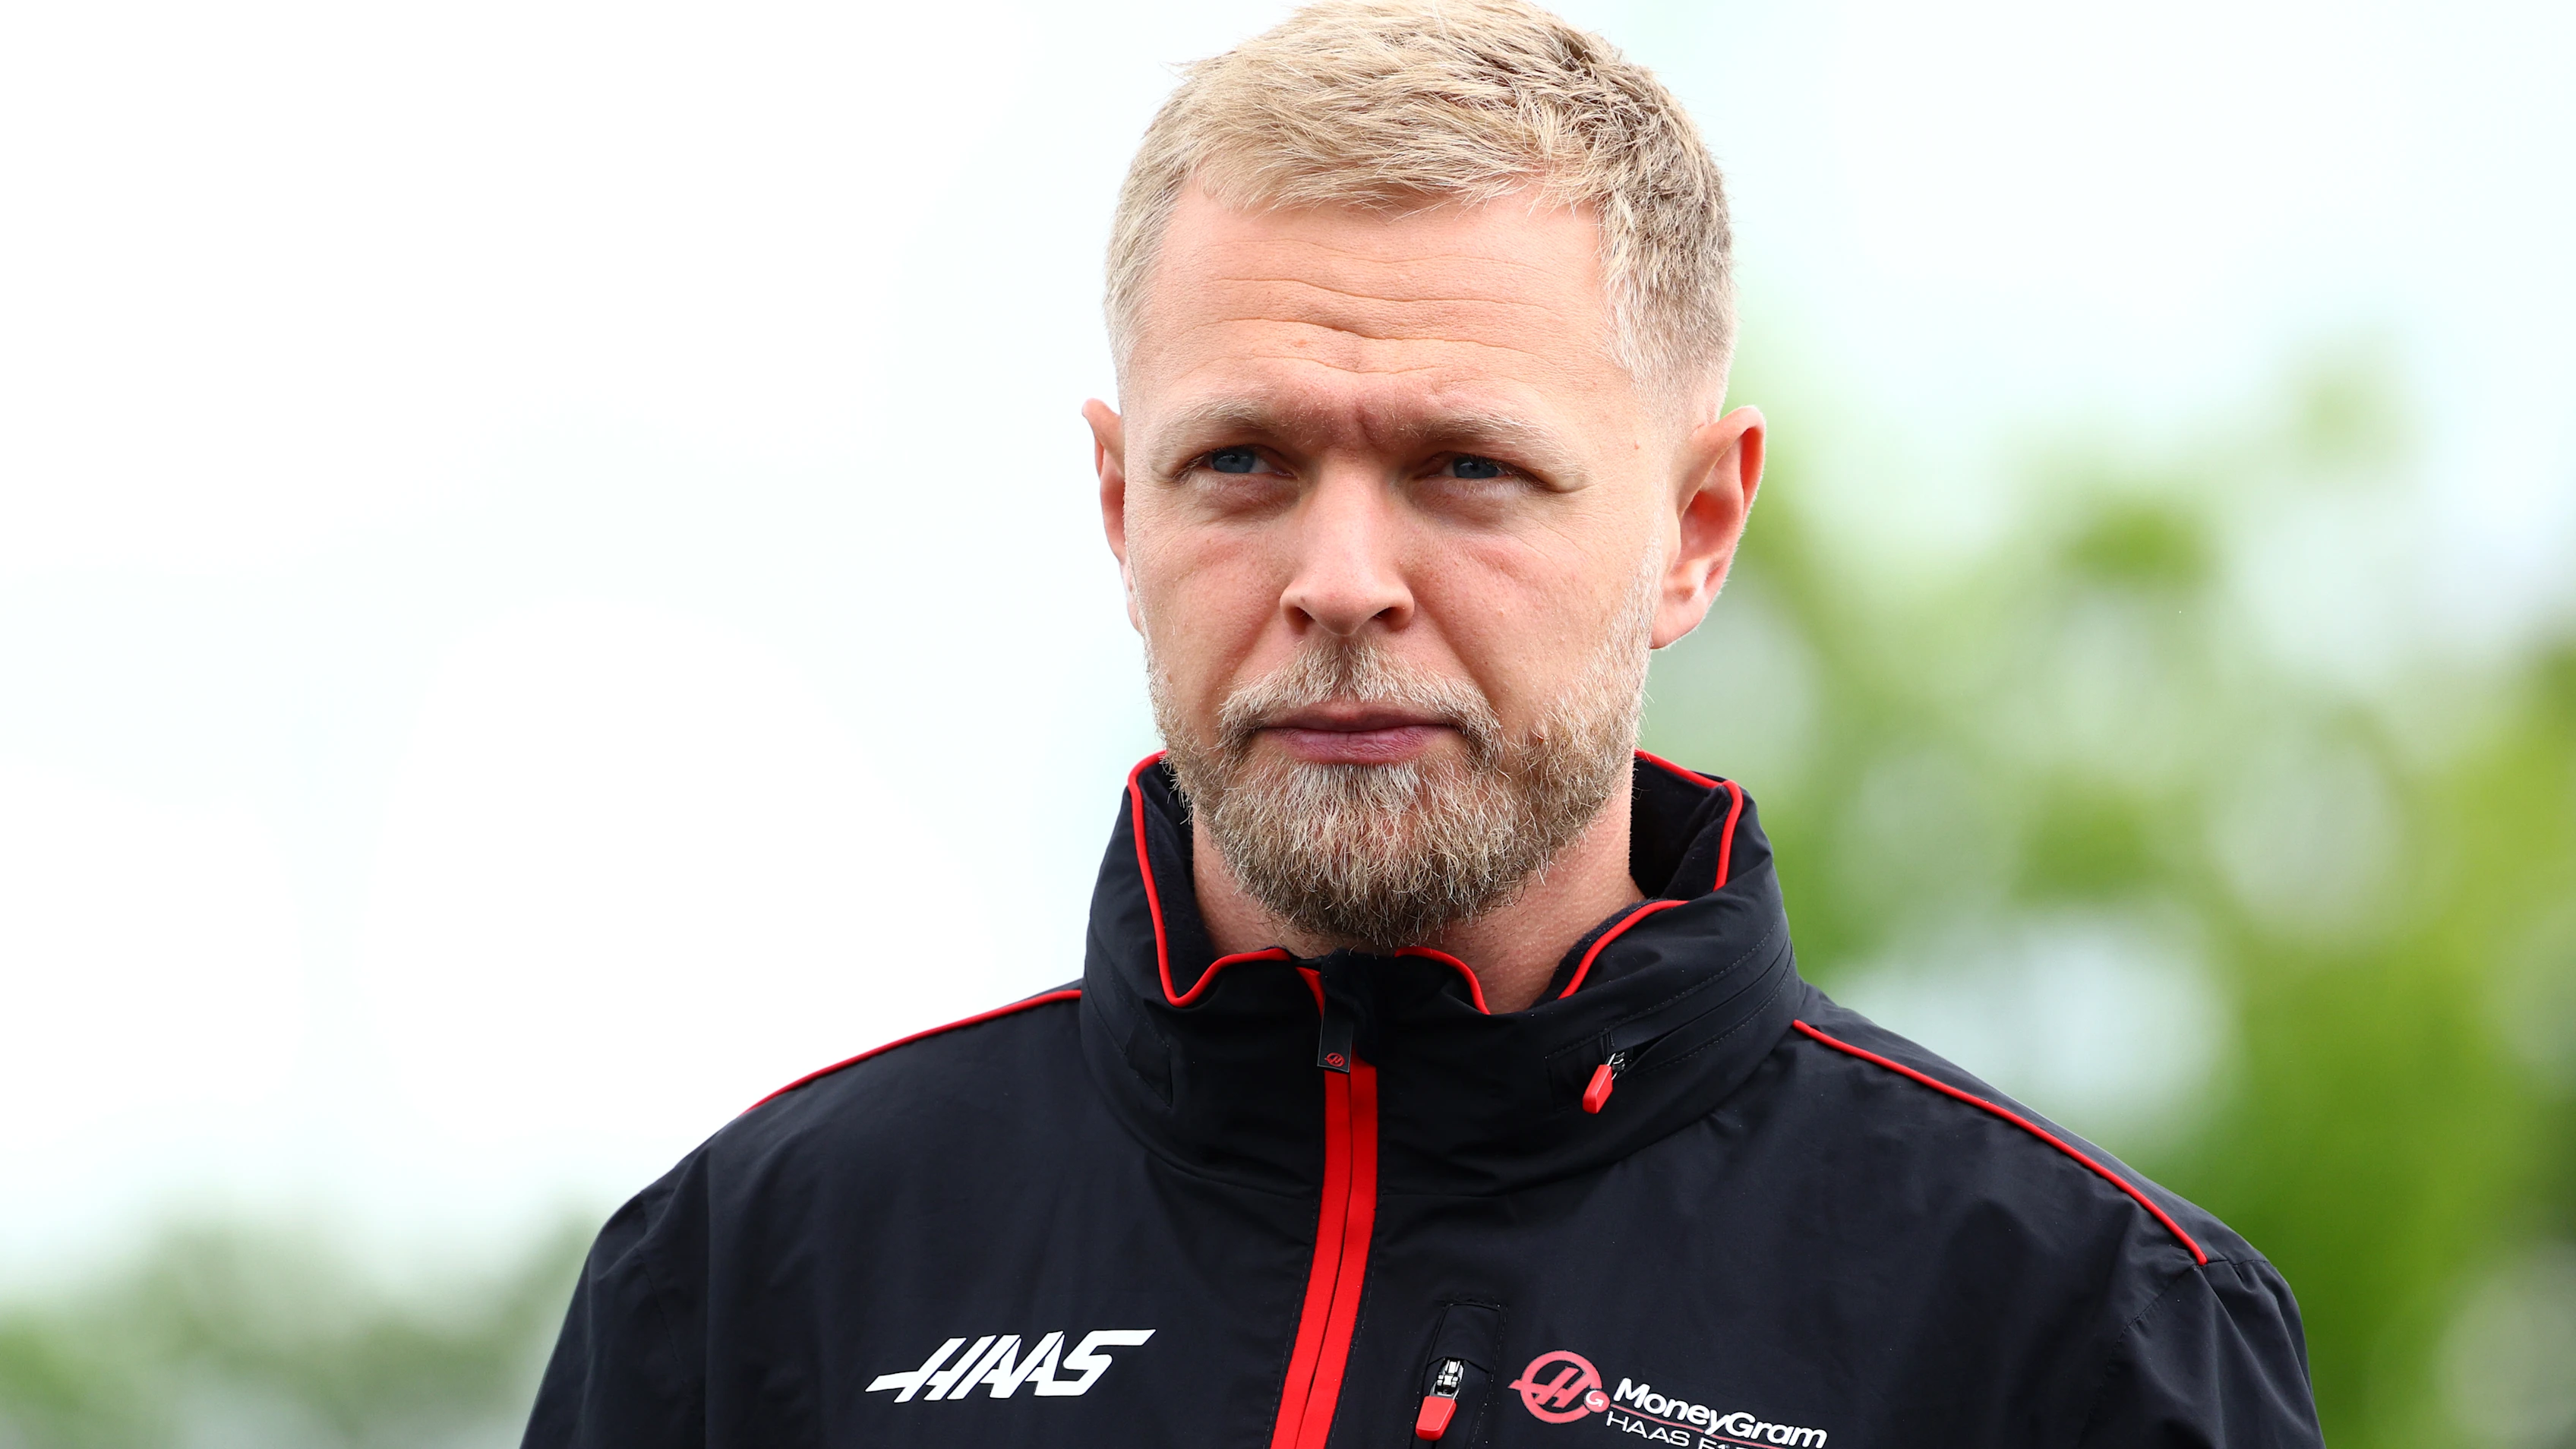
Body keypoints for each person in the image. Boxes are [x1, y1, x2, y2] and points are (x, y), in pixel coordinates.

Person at [522, 2, 2325, 1445]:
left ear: (1696, 527)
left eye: (1467, 468)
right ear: (1116, 503)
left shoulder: (2080, 1332)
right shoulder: (757, 1280)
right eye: (1242, 461)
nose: (1341, 579)